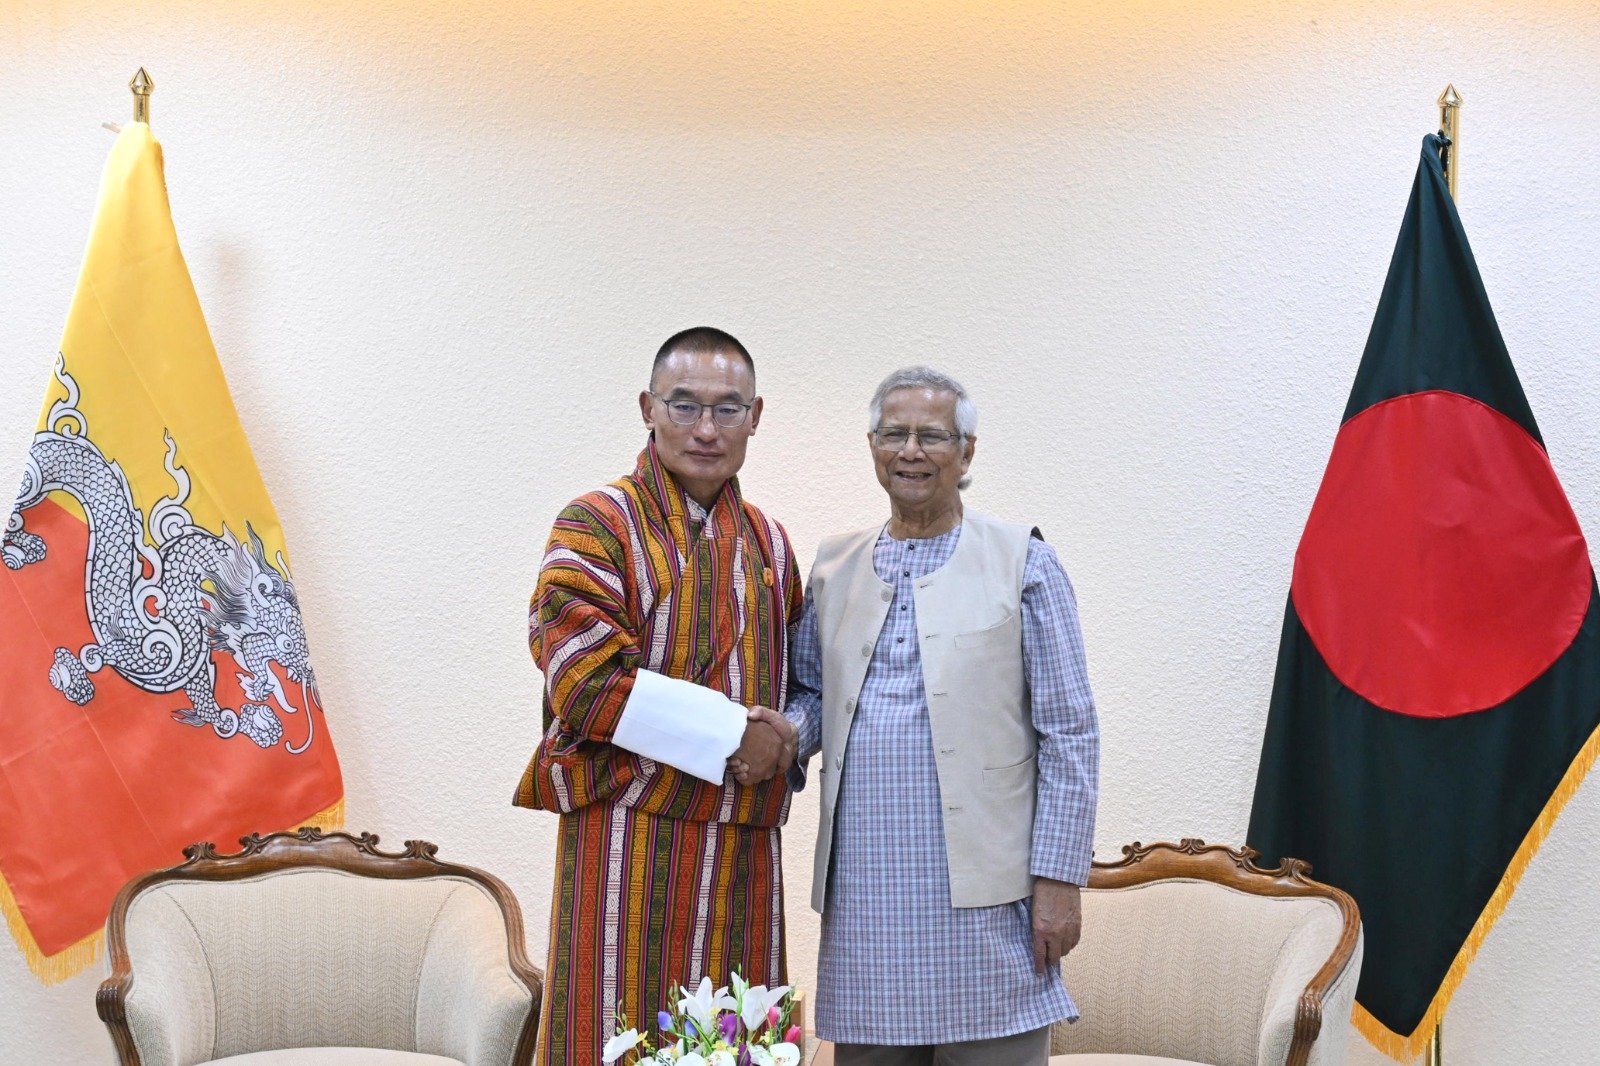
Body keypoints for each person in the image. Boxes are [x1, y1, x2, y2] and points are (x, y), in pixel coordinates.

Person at [781, 365, 1099, 1065]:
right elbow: (810, 697)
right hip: (867, 902)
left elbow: (1071, 732)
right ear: (872, 446)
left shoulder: (1025, 563)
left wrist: (1059, 881)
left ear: (968, 451)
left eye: (932, 435)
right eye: (894, 434)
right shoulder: (834, 566)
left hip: (989, 903)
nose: (911, 451)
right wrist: (779, 739)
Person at [515, 327, 801, 1066]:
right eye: (685, 405)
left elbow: (802, 686)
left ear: (757, 415)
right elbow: (584, 681)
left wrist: (790, 734)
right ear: (648, 407)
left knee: (737, 1041)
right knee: (612, 1037)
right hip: (624, 836)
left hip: (740, 840)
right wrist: (739, 735)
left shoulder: (770, 544)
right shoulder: (595, 523)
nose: (707, 429)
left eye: (729, 409)